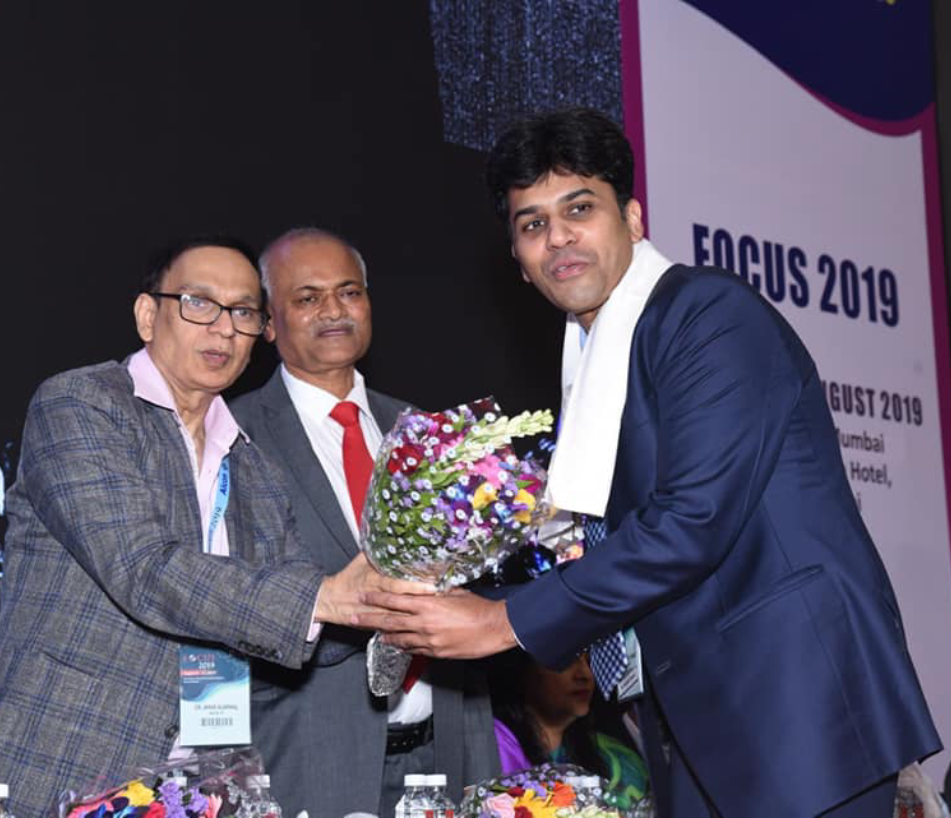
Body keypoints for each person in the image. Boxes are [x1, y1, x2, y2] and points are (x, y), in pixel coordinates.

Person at [357, 108, 941, 818]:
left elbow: (692, 521)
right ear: (518, 259)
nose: (558, 237)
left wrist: (499, 622)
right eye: (533, 224)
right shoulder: (594, 361)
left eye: (579, 209)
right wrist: (435, 588)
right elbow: (605, 542)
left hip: (794, 704)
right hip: (697, 718)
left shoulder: (706, 315)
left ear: (633, 218)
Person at [0, 235, 420, 818]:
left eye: (243, 312)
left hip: (193, 788)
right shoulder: (82, 404)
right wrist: (331, 596)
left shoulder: (254, 467)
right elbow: (143, 567)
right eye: (199, 303)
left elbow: (303, 621)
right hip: (55, 757)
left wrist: (396, 604)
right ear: (147, 315)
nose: (223, 329)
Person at [230, 228, 500, 818]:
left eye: (349, 292)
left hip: (445, 751)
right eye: (308, 298)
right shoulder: (233, 435)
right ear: (268, 323)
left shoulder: (426, 433)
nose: (334, 310)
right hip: (309, 761)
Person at [488, 649, 647, 808]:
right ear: (523, 670)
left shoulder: (618, 760)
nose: (585, 675)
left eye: (587, 660)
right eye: (565, 661)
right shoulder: (496, 748)